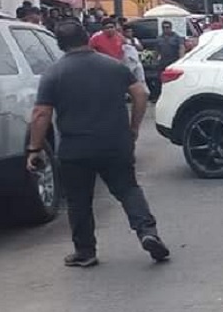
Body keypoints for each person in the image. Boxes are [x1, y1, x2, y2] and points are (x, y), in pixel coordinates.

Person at [27, 21, 169, 267]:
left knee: (79, 201)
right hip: (115, 143)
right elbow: (141, 94)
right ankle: (147, 232)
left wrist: (34, 148)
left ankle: (85, 252)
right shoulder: (113, 66)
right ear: (87, 36)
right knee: (128, 189)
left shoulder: (54, 73)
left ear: (60, 44)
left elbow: (41, 113)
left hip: (75, 149)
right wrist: (133, 128)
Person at [121, 24, 147, 94]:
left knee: (141, 77)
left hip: (137, 60)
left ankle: (143, 91)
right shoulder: (123, 40)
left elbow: (141, 48)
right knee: (129, 78)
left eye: (131, 32)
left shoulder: (135, 39)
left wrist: (134, 43)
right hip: (128, 61)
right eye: (128, 32)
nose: (129, 33)